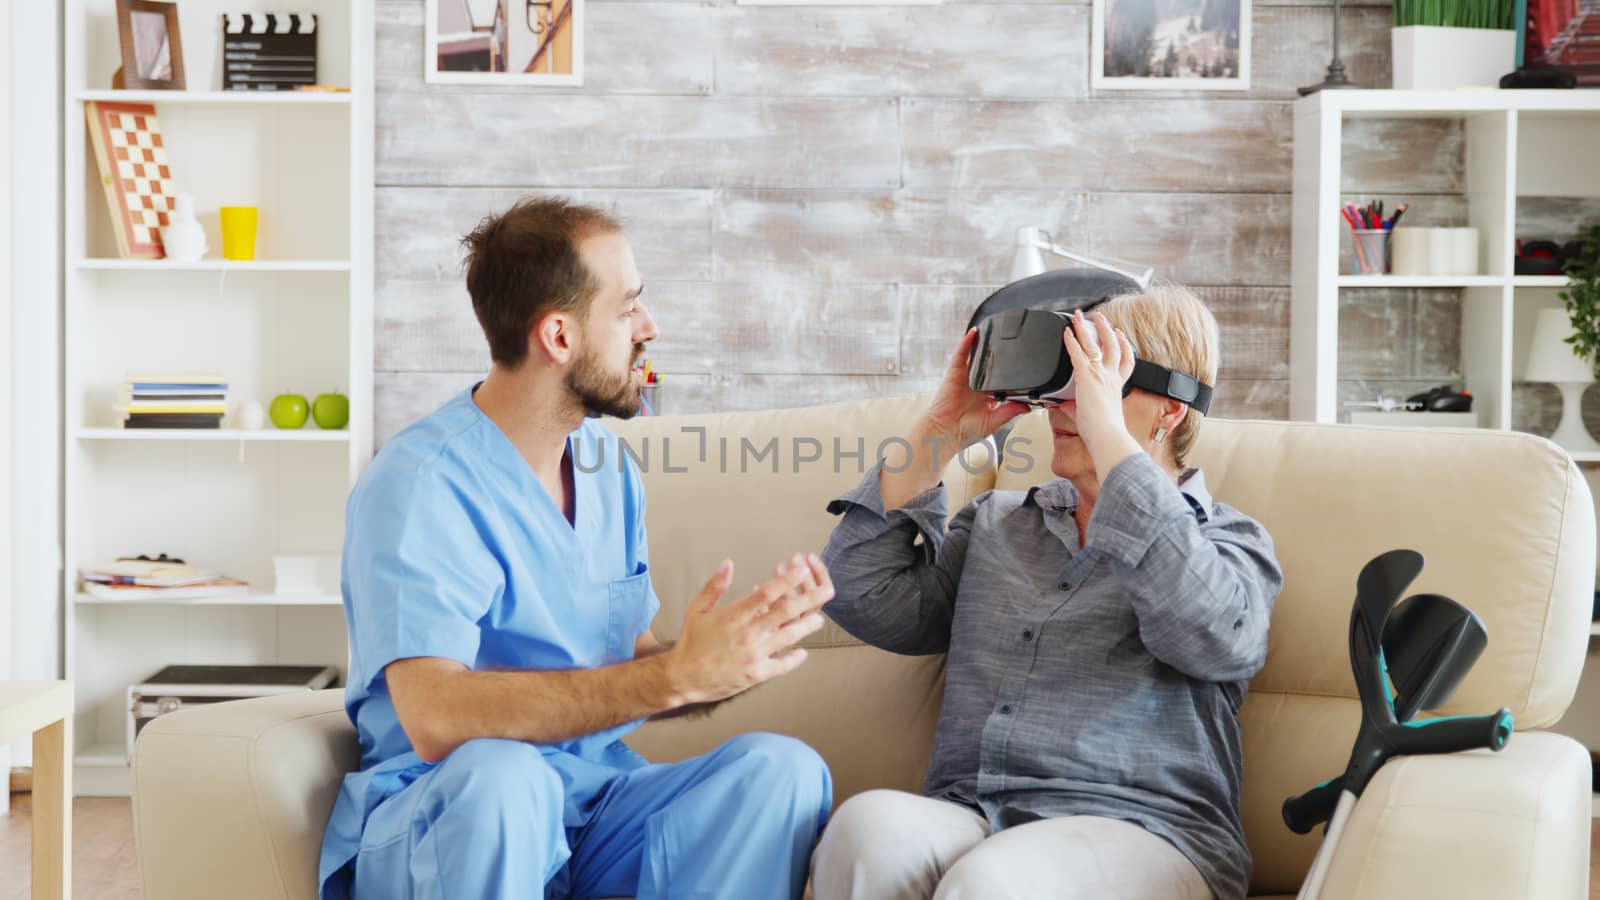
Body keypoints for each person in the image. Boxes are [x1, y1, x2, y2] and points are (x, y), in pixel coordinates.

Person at [319, 197, 835, 900]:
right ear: (559, 336)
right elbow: (436, 718)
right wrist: (672, 678)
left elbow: (626, 665)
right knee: (505, 777)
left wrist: (720, 660)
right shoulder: (419, 483)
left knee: (782, 773)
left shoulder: (605, 465)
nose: (650, 329)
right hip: (456, 815)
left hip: (591, 807)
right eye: (628, 310)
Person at [810, 286, 1283, 900]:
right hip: (974, 811)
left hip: (1145, 829)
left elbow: (1215, 637)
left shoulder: (1225, 540)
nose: (1065, 407)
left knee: (994, 879)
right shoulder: (998, 523)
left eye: (1094, 385)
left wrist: (1109, 439)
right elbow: (859, 596)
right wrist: (940, 430)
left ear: (1169, 410)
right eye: (1066, 384)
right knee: (864, 830)